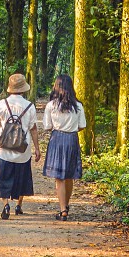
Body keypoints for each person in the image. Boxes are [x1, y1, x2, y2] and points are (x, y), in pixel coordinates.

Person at [0, 73, 39, 219]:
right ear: (24, 89)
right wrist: (37, 149)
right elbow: (33, 128)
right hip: (23, 151)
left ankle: (6, 204)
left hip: (3, 149)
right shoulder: (29, 106)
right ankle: (19, 205)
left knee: (2, 178)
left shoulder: (2, 104)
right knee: (22, 178)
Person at [40, 74, 87, 220]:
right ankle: (66, 205)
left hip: (57, 139)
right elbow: (82, 126)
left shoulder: (51, 106)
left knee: (59, 178)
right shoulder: (78, 106)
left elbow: (47, 126)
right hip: (72, 139)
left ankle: (62, 210)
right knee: (69, 176)